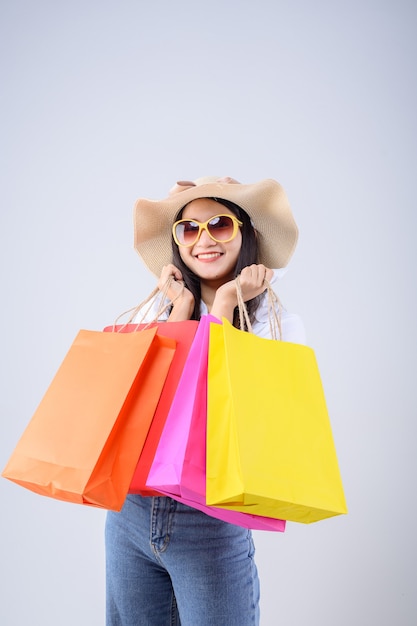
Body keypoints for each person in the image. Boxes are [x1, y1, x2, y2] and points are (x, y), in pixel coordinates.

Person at [105, 176, 305, 626]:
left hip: (210, 520)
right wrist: (179, 311)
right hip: (131, 515)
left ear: (246, 234)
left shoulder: (277, 326)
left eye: (220, 224)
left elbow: (226, 413)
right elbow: (151, 410)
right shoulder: (160, 310)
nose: (204, 240)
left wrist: (226, 305)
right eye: (189, 229)